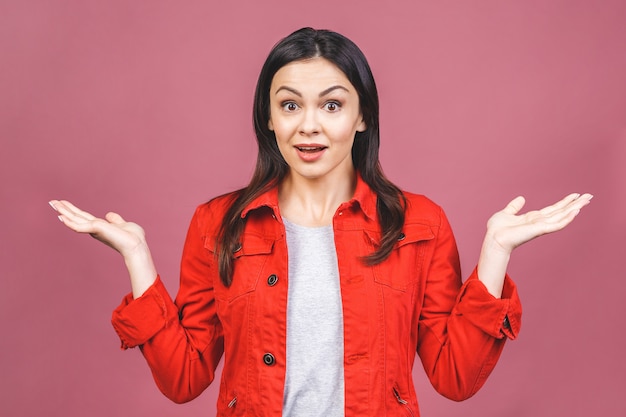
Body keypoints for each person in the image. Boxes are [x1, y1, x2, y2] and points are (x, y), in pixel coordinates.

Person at [49, 27, 592, 416]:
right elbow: (182, 380)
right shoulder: (218, 223)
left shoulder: (417, 222)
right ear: (268, 115)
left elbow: (454, 380)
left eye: (332, 105)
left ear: (362, 117)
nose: (309, 126)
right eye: (289, 105)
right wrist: (137, 258)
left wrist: (495, 253)